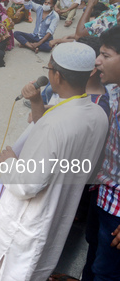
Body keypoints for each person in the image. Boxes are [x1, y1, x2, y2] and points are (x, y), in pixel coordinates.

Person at [0, 42, 108, 281]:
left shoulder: (55, 123)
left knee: (10, 272)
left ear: (56, 75)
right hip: (57, 214)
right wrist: (39, 104)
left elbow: (28, 184)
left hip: (27, 223)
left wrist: (9, 162)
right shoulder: (97, 115)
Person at [82, 25, 120, 280]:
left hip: (117, 210)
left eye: (106, 55)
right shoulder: (114, 90)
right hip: (102, 191)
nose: (98, 60)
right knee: (93, 248)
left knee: (105, 272)